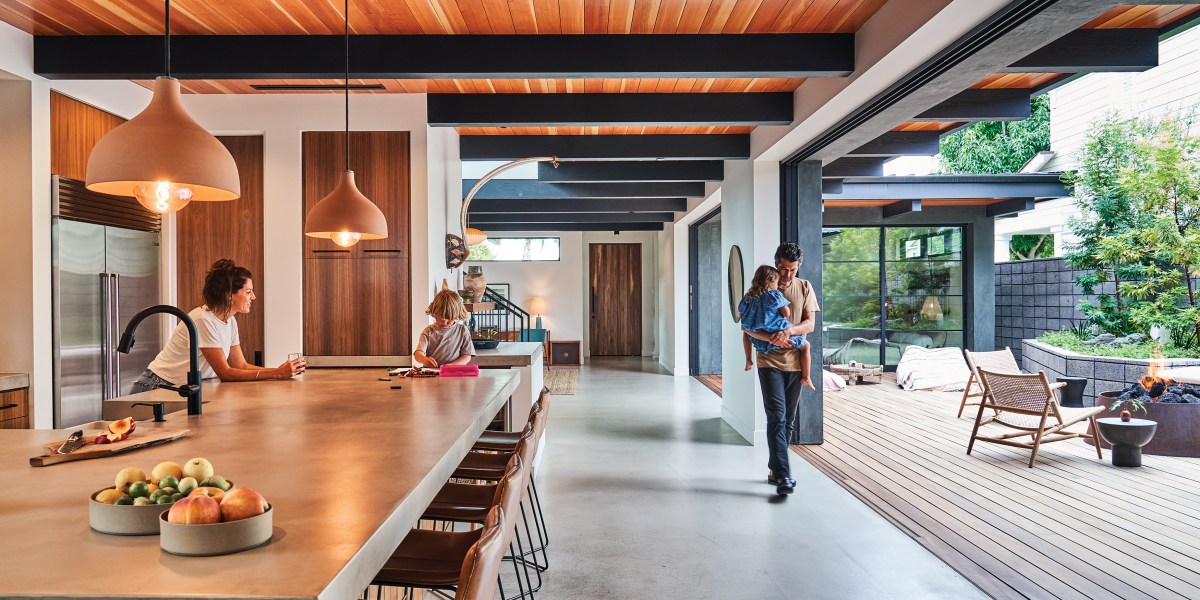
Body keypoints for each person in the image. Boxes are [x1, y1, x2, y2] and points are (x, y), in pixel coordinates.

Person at [130, 259, 305, 394]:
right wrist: (276, 373)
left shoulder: (230, 321)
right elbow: (226, 373)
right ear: (229, 295)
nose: (254, 297)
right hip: (157, 386)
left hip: (178, 388)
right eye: (248, 291)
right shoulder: (203, 319)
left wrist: (279, 371)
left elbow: (240, 365)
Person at [743, 243, 820, 496]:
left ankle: (776, 469)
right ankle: (785, 475)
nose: (787, 275)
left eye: (792, 270)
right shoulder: (760, 290)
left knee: (788, 420)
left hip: (796, 364)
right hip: (769, 362)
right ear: (776, 264)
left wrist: (789, 331)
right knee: (776, 416)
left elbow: (809, 325)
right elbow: (746, 326)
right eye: (783, 269)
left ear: (798, 268)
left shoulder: (805, 287)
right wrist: (767, 338)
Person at [740, 266, 813, 391]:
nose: (778, 285)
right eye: (776, 282)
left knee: (747, 335)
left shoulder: (748, 297)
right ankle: (806, 377)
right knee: (806, 346)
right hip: (779, 332)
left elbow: (742, 315)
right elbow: (786, 313)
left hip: (760, 337)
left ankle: (748, 359)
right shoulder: (774, 294)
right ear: (770, 281)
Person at [413, 289, 476, 368]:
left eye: (449, 319)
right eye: (440, 318)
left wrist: (451, 366)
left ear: (457, 314)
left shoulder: (462, 330)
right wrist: (424, 360)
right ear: (434, 313)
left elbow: (467, 356)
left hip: (453, 374)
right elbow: (418, 354)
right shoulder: (428, 331)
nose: (444, 322)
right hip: (432, 375)